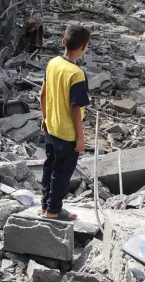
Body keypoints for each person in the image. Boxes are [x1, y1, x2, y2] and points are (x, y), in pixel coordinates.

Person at [39, 24, 92, 221]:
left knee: (49, 168)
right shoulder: (76, 74)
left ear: (63, 42)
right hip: (67, 133)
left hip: (51, 128)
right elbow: (75, 108)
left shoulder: (53, 63)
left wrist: (45, 118)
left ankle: (45, 205)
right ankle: (54, 210)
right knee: (61, 174)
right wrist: (80, 137)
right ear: (84, 47)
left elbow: (42, 94)